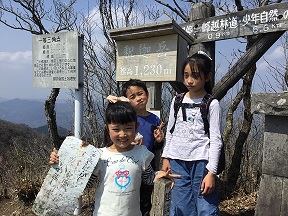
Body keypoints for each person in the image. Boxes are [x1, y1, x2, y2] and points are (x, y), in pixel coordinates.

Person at [50, 100, 180, 216]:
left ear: (136, 127)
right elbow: (84, 184)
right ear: (107, 129)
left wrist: (159, 174)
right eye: (116, 129)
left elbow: (148, 178)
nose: (122, 134)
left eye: (128, 128)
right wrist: (61, 164)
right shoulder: (99, 155)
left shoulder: (141, 153)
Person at [161, 51, 223, 216]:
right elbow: (170, 131)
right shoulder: (177, 100)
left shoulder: (212, 104)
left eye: (195, 76)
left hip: (202, 162)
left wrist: (211, 172)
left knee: (206, 209)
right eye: (186, 75)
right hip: (177, 161)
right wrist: (166, 158)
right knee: (181, 208)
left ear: (207, 76)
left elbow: (216, 141)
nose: (189, 80)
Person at [120, 79, 165, 216]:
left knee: (145, 204)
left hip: (147, 169)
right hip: (129, 169)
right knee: (127, 203)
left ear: (147, 94)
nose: (138, 98)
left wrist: (159, 141)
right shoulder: (127, 118)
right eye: (132, 97)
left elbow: (156, 147)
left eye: (140, 93)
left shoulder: (155, 119)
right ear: (127, 100)